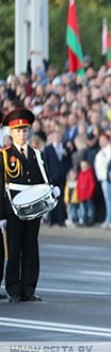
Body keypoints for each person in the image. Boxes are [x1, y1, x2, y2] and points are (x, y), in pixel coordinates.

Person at [0, 109, 57, 302]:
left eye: (25, 130)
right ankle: (14, 289)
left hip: (34, 208)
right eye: (18, 131)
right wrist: (1, 215)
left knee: (31, 247)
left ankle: (29, 287)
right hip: (13, 208)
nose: (22, 134)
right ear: (11, 133)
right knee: (14, 247)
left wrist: (49, 196)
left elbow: (44, 181)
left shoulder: (37, 156)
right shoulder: (5, 156)